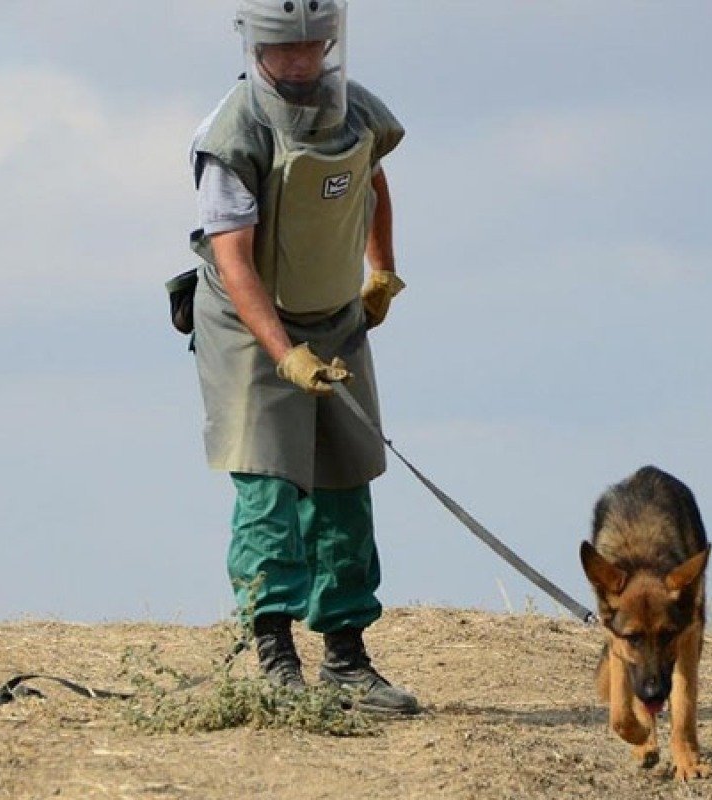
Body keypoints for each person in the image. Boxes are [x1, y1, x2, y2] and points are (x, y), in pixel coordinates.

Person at [187, 0, 417, 714]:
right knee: (270, 486)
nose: (301, 60)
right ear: (256, 44)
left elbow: (371, 179)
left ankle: (347, 660)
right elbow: (234, 260)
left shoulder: (355, 112)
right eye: (286, 48)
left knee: (348, 480)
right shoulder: (234, 133)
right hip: (249, 324)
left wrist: (380, 270)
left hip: (334, 316)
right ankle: (274, 659)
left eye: (315, 45)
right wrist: (285, 354)